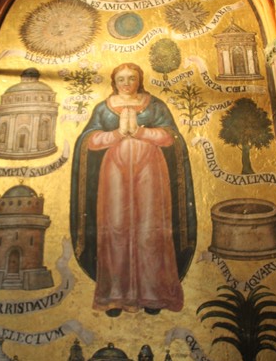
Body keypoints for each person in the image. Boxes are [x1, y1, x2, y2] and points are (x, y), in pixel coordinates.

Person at [70, 63, 196, 315]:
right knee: (114, 228)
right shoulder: (103, 109)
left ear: (140, 80)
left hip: (151, 171)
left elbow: (171, 138)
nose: (126, 83)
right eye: (121, 79)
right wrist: (116, 134)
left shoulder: (155, 106)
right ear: (114, 81)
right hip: (114, 173)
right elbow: (89, 141)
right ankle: (115, 295)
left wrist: (140, 132)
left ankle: (153, 295)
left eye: (132, 78)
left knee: (151, 228)